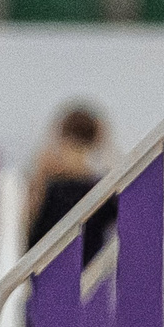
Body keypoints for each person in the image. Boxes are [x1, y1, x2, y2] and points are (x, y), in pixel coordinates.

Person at [28, 103, 114, 261]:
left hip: (56, 270)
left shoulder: (97, 188)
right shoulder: (100, 188)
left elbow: (28, 226)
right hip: (76, 270)